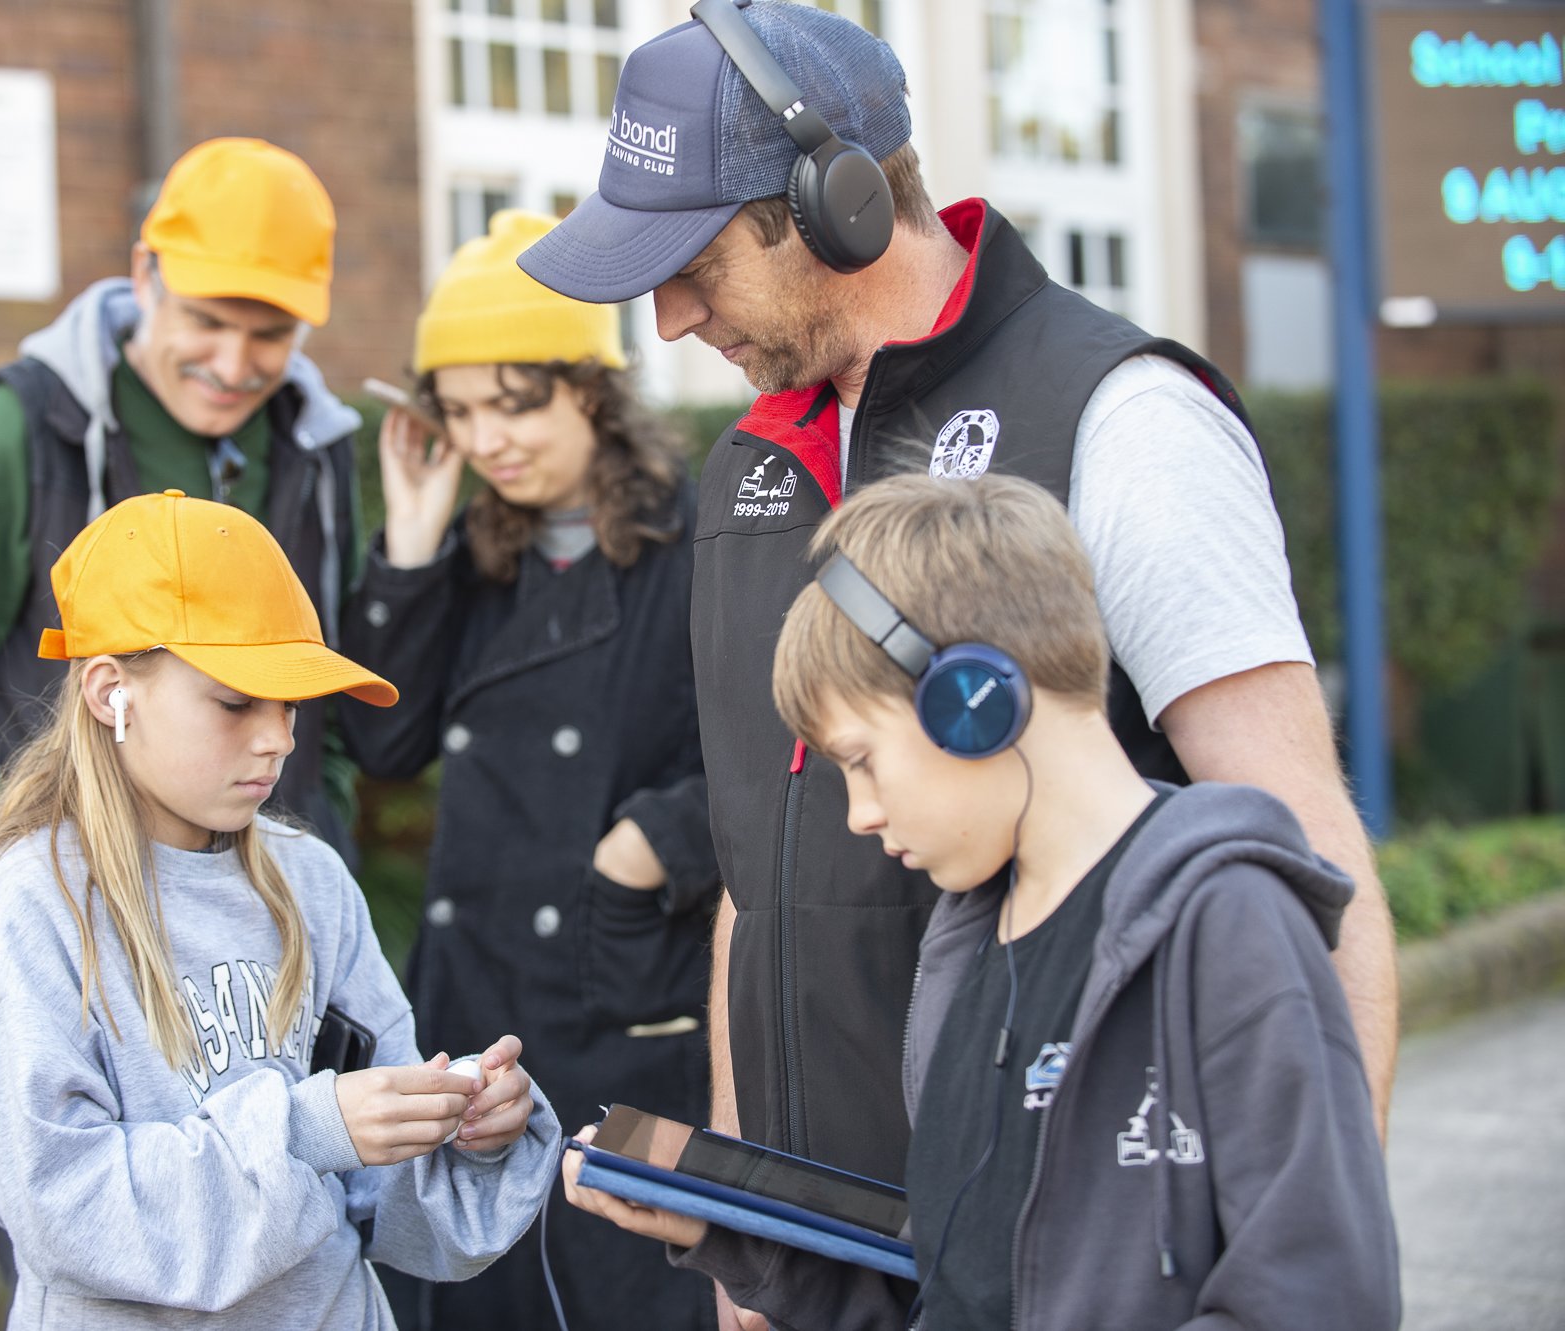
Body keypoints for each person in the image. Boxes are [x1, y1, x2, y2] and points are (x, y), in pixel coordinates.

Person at [519, 5, 1398, 1317]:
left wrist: (1310, 1237)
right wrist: (740, 1227)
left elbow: (1305, 847)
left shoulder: (1125, 418)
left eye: (695, 258)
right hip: (836, 1270)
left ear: (842, 205)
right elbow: (751, 878)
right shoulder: (747, 465)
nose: (668, 314)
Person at [564, 473, 1403, 1331]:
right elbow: (956, 1287)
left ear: (975, 703)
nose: (860, 814)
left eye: (861, 761)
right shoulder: (966, 944)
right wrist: (727, 1226)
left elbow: (1317, 1297)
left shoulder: (1228, 923)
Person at [0, 488, 561, 1330]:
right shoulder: (30, 903)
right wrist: (308, 1129)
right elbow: (62, 1208)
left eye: (289, 703)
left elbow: (389, 1199)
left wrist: (471, 1132)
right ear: (112, 691)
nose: (279, 740)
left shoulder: (311, 881)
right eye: (235, 701)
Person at [337, 210, 717, 1331]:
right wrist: (409, 540)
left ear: (590, 391)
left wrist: (648, 842)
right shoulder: (469, 557)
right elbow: (383, 743)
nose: (489, 440)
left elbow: (780, 750)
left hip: (632, 1007)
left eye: (516, 402)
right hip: (474, 1009)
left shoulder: (698, 545)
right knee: (478, 1289)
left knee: (633, 1274)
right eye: (458, 411)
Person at [0, 137, 364, 857]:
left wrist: (319, 839)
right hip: (81, 935)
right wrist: (33, 862)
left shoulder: (318, 447)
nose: (234, 366)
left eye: (270, 335)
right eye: (206, 321)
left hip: (276, 922)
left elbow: (328, 704)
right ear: (145, 275)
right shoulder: (24, 428)